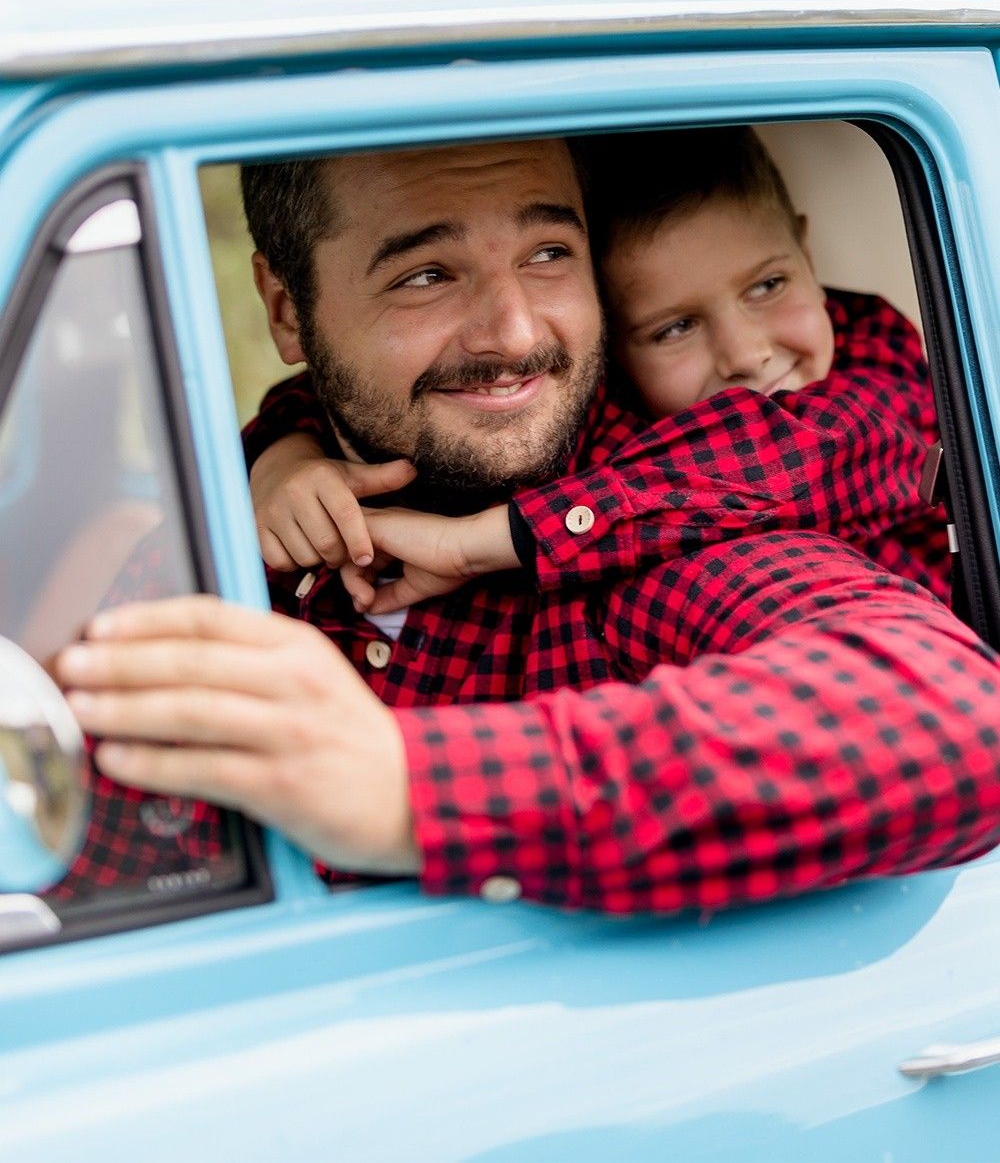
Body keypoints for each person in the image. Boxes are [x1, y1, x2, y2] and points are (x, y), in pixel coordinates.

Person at [55, 136, 1000, 914]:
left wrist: (406, 787)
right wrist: (279, 454)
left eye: (549, 255)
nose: (513, 333)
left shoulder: (679, 524)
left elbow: (954, 720)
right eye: (427, 274)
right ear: (285, 310)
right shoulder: (231, 527)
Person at [246, 127, 949, 626]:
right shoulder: (629, 426)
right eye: (673, 327)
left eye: (768, 284)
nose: (745, 353)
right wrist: (285, 457)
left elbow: (790, 450)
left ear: (805, 248)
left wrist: (496, 539)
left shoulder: (876, 355)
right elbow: (331, 395)